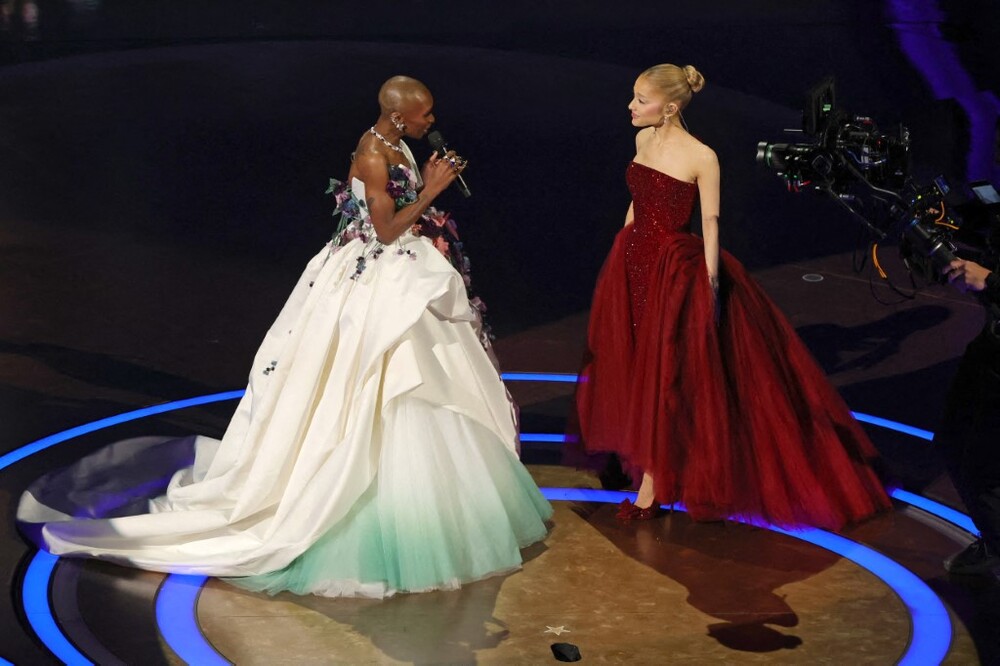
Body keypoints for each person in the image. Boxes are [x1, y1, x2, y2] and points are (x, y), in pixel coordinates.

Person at [18, 75, 552, 598]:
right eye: (424, 114)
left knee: (421, 380)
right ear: (397, 115)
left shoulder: (395, 143)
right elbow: (386, 231)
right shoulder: (372, 154)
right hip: (377, 276)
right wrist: (432, 191)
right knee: (380, 383)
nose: (431, 121)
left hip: (402, 271)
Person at [574, 63, 891, 530]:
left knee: (670, 374)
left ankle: (653, 484)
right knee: (638, 364)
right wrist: (619, 257)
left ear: (671, 107)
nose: (631, 106)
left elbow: (710, 222)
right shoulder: (643, 142)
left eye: (641, 99)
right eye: (634, 96)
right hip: (633, 264)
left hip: (675, 271)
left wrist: (711, 282)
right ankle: (645, 462)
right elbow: (636, 202)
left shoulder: (703, 156)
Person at [939, 256, 1000, 575]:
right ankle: (993, 540)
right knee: (954, 441)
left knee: (981, 469)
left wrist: (990, 281)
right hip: (991, 347)